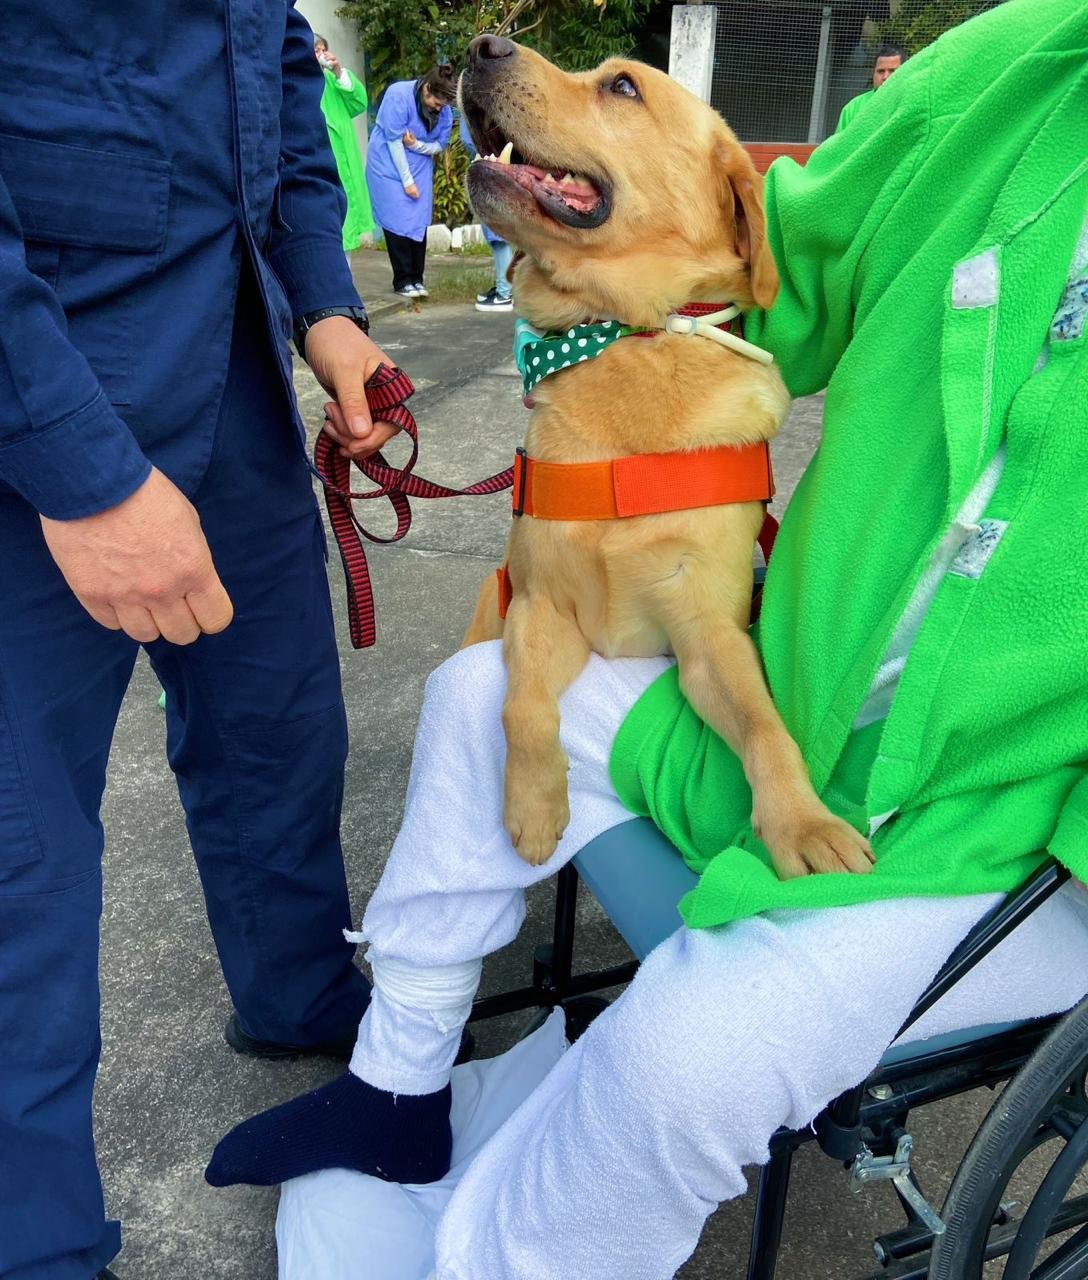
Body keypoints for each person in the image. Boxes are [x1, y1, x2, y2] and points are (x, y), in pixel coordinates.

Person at [207, 3, 1088, 1277]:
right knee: (473, 694)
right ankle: (396, 1087)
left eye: (616, 87)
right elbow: (766, 261)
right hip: (811, 709)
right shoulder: (1019, 63)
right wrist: (590, 321)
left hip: (1024, 831)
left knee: (682, 1055)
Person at [0, 4, 406, 1278]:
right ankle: (35, 1245)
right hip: (37, 369)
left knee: (277, 729)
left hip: (227, 365)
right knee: (18, 857)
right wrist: (79, 470)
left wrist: (321, 304)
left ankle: (297, 992)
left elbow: (268, 57)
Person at [365, 65, 456, 298]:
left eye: (444, 105)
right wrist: (407, 181)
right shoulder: (398, 95)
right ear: (427, 89)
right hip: (388, 165)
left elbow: (439, 146)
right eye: (437, 103)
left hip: (420, 166)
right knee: (396, 220)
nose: (439, 108)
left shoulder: (444, 112)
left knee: (417, 222)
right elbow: (394, 141)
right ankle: (402, 280)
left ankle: (417, 278)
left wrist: (416, 145)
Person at [313, 33, 376, 252]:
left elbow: (358, 103)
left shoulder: (333, 80)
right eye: (316, 51)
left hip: (344, 165)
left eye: (323, 50)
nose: (321, 55)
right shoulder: (298, 84)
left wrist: (339, 72)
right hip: (320, 166)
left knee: (345, 234)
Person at [458, 116, 514, 313]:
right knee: (496, 236)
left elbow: (470, 140)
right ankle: (502, 287)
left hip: (494, 166)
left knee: (498, 236)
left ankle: (505, 293)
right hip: (490, 163)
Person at [836, 41, 905, 131]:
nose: (885, 77)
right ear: (873, 73)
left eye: (892, 71)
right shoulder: (852, 108)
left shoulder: (911, 104)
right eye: (880, 71)